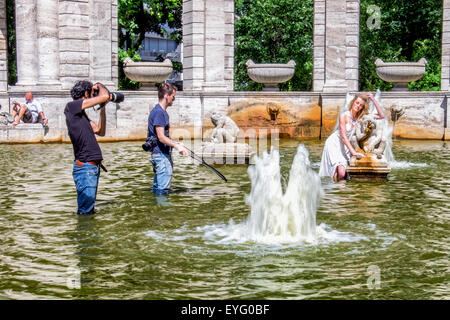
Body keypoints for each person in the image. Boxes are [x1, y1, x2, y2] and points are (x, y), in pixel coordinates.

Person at [64, 80, 111, 215]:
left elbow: (100, 131)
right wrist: (99, 86)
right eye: (92, 93)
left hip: (90, 168)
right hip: (85, 167)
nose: (93, 96)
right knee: (86, 212)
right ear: (86, 92)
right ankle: (84, 234)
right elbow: (105, 96)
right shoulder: (71, 107)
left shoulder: (81, 115)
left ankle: (88, 234)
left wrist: (102, 107)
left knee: (88, 210)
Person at [319, 93, 385, 182]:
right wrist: (353, 152)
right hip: (334, 144)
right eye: (357, 103)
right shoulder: (344, 115)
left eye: (361, 105)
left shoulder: (360, 117)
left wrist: (373, 99)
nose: (358, 106)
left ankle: (338, 192)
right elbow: (343, 136)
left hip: (345, 146)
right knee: (341, 172)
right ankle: (336, 190)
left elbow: (381, 116)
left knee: (341, 173)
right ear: (353, 102)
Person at [146, 83, 189, 195]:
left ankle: (156, 210)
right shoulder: (160, 113)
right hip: (161, 156)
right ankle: (163, 211)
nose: (173, 99)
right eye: (173, 96)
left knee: (157, 188)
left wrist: (176, 143)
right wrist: (177, 146)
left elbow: (160, 136)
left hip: (157, 155)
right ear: (166, 95)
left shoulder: (157, 110)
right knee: (162, 190)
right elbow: (160, 137)